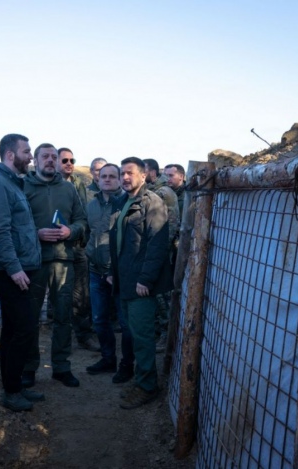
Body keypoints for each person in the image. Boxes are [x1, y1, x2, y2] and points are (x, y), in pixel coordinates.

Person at [0, 133, 45, 411]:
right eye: (26, 152)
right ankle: (12, 392)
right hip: (8, 272)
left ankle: (14, 385)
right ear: (10, 154)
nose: (30, 157)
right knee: (24, 329)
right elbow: (0, 232)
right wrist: (15, 269)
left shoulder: (12, 183)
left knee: (12, 329)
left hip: (16, 269)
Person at [21, 143, 87, 388]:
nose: (50, 160)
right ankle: (29, 368)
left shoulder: (68, 189)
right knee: (30, 317)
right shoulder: (23, 186)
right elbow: (15, 223)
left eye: (53, 157)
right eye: (45, 156)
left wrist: (71, 231)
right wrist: (36, 233)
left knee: (63, 316)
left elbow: (81, 220)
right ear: (35, 161)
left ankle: (61, 367)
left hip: (62, 260)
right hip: (34, 261)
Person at [109, 156, 172, 409]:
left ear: (143, 176)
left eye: (130, 173)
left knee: (143, 337)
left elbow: (157, 244)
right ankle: (142, 379)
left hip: (140, 285)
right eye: (122, 173)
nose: (125, 178)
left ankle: (148, 387)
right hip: (125, 281)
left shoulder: (152, 202)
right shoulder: (123, 202)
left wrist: (146, 279)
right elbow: (119, 243)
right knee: (135, 335)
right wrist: (113, 272)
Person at [85, 164, 136, 384]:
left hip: (118, 275)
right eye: (103, 176)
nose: (107, 179)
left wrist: (113, 270)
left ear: (119, 179)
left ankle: (127, 365)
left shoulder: (127, 204)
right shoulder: (92, 205)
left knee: (125, 323)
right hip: (95, 272)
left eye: (112, 176)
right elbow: (91, 233)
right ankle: (108, 359)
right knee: (99, 319)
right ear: (97, 179)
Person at [57, 147, 100, 352]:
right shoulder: (49, 185)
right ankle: (60, 336)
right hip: (56, 246)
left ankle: (83, 335)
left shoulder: (78, 184)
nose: (69, 163)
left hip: (78, 244)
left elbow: (82, 213)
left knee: (82, 293)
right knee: (58, 293)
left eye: (72, 160)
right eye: (64, 160)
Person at [143, 158, 179, 353]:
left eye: (144, 171)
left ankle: (166, 335)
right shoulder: (157, 190)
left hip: (162, 252)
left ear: (152, 172)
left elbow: (170, 224)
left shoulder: (162, 193)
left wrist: (159, 252)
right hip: (159, 251)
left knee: (162, 295)